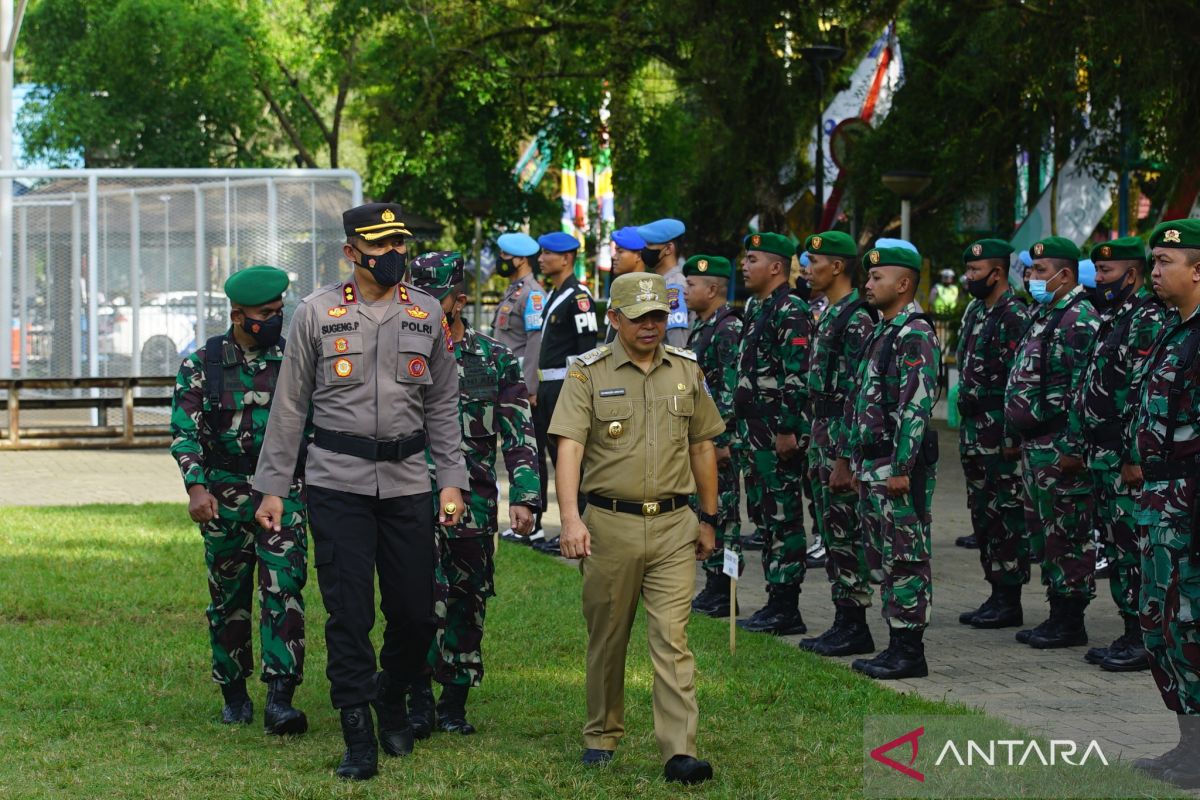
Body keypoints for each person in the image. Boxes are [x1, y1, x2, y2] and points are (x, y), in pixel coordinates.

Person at [252, 203, 468, 781]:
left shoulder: (425, 313)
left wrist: (451, 478)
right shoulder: (316, 313)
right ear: (353, 253)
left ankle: (391, 693)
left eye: (400, 242)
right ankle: (357, 734)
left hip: (405, 484)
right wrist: (273, 488)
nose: (395, 254)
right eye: (381, 246)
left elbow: (443, 403)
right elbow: (290, 406)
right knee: (349, 615)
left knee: (416, 615)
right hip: (336, 482)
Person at [549, 271, 724, 785]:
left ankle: (679, 751)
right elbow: (570, 449)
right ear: (615, 318)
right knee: (608, 635)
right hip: (609, 525)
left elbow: (702, 446)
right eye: (640, 316)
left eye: (659, 316)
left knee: (673, 638)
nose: (651, 326)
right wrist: (571, 519)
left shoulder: (687, 370)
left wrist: (709, 519)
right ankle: (601, 733)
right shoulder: (587, 373)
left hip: (674, 524)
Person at [169, 264, 309, 734]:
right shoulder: (201, 365)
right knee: (228, 600)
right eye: (264, 313)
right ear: (237, 314)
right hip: (223, 500)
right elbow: (184, 434)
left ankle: (280, 698)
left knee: (282, 590)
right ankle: (233, 690)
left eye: (279, 311)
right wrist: (196, 486)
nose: (274, 320)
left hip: (281, 494)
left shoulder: (293, 361)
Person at [406, 251, 540, 736]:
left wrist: (524, 497)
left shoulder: (494, 358)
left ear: (459, 300)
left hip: (474, 504)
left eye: (433, 299)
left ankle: (454, 701)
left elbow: (519, 434)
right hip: (411, 500)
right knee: (416, 598)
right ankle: (416, 694)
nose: (421, 309)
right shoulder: (401, 355)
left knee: (467, 597)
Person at [846, 244, 941, 679]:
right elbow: (863, 402)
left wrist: (902, 468)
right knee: (882, 555)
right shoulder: (882, 330)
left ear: (903, 284)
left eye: (877, 277)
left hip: (896, 467)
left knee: (905, 556)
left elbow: (915, 407)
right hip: (874, 463)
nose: (868, 283)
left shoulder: (915, 333)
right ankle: (894, 644)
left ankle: (909, 651)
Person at [1128, 219, 1200, 788]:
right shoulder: (1174, 332)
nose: (1154, 272)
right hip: (1160, 504)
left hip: (1188, 506)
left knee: (1191, 623)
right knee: (1161, 625)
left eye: (1165, 263)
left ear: (1198, 270)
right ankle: (1187, 745)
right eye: (1152, 262)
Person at [1005, 236, 1100, 650]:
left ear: (1064, 275)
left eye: (1040, 272)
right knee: (1045, 533)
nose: (1032, 278)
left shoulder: (1079, 319)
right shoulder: (1046, 314)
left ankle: (1070, 618)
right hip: (1037, 445)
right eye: (1030, 271)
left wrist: (1074, 448)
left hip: (1061, 445)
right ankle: (1056, 609)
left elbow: (1086, 391)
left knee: (1068, 532)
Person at [1077, 237, 1165, 671]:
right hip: (1103, 455)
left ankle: (1144, 638)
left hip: (1123, 457)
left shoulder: (1146, 318)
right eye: (1096, 271)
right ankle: (1130, 630)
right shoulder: (1114, 317)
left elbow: (1140, 390)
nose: (1098, 280)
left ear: (1131, 275)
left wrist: (1132, 455)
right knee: (1117, 547)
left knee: (1133, 548)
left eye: (1107, 272)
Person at [797, 231, 879, 657]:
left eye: (815, 261)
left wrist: (845, 457)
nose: (807, 269)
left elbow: (857, 394)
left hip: (840, 440)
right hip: (822, 434)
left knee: (846, 530)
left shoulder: (857, 318)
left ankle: (855, 622)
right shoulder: (830, 313)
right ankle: (843, 617)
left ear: (839, 267)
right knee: (832, 529)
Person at [734, 232, 811, 635]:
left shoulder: (791, 309)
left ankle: (787, 606)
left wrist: (787, 430)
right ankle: (773, 596)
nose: (743, 266)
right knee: (765, 515)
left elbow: (797, 377)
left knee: (783, 516)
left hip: (775, 432)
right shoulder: (756, 306)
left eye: (752, 259)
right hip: (754, 432)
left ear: (776, 267)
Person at [954, 239, 1033, 630]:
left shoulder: (1014, 314)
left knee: (1006, 515)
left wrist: (1010, 437)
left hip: (999, 435)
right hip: (973, 433)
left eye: (975, 271)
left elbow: (1017, 382)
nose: (970, 278)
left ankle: (1010, 596)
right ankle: (995, 589)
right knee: (982, 515)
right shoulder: (974, 311)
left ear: (997, 273)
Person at [681, 254, 744, 617]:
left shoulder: (728, 327)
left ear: (714, 288)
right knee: (706, 507)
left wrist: (719, 440)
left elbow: (731, 390)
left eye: (692, 285)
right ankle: (713, 583)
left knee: (724, 512)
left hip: (720, 439)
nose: (686, 290)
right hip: (703, 438)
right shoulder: (703, 326)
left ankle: (725, 588)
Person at [531, 231, 599, 553]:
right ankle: (566, 531)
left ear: (567, 259)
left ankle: (580, 531)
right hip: (548, 388)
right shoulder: (557, 293)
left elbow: (586, 352)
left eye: (547, 254)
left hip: (564, 389)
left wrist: (579, 394)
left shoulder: (579, 296)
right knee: (556, 461)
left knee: (571, 463)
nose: (541, 259)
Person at [492, 232, 548, 544]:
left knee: (526, 451)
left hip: (518, 386)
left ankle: (531, 520)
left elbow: (535, 344)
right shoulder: (514, 290)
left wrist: (529, 387)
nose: (500, 261)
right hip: (503, 382)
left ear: (520, 259)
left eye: (504, 256)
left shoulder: (533, 294)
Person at [635, 218, 690, 347]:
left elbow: (678, 345)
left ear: (668, 249)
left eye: (650, 244)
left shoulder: (674, 288)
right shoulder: (660, 282)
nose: (645, 249)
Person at [604, 226, 648, 345]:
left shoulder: (646, 294)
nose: (614, 256)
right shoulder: (620, 290)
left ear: (638, 255)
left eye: (620, 251)